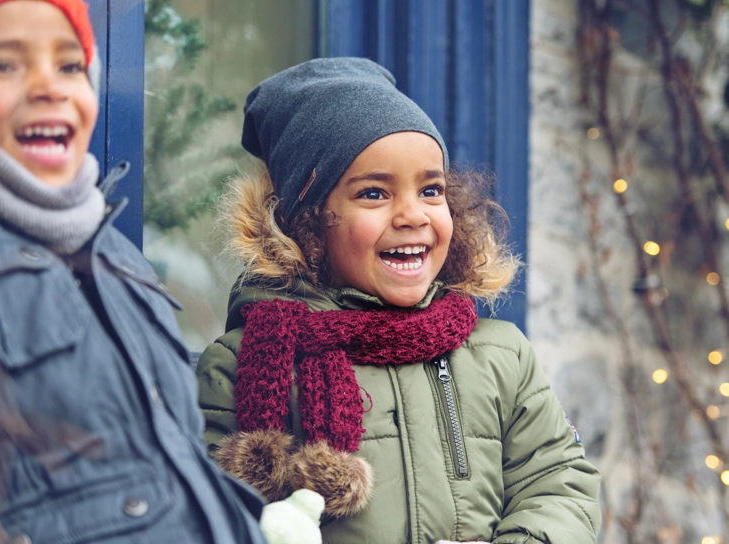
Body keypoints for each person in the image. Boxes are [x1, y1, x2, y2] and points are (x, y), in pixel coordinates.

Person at [197, 57, 602, 544]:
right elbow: (209, 512)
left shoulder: (500, 354)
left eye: (431, 189)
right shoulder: (244, 363)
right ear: (307, 222)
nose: (413, 214)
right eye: (373, 193)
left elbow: (560, 484)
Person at [0, 1, 268, 543]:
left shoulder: (115, 256)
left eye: (69, 64)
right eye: (3, 65)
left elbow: (173, 464)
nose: (49, 87)